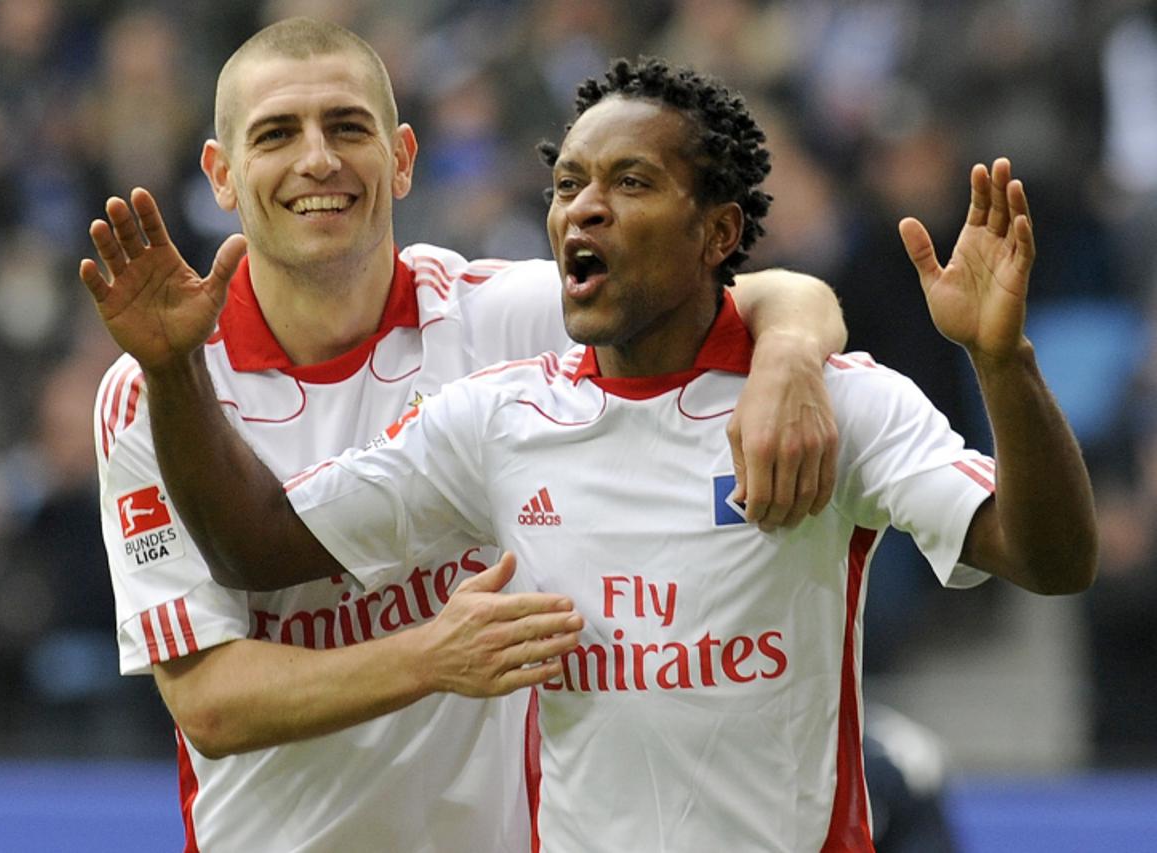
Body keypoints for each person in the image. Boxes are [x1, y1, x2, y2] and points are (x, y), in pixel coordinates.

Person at [91, 55, 1097, 851]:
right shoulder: (492, 420)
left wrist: (992, 362)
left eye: (627, 181)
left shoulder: (835, 408)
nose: (582, 207)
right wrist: (178, 372)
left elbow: (1050, 559)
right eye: (567, 183)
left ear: (716, 231)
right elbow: (254, 555)